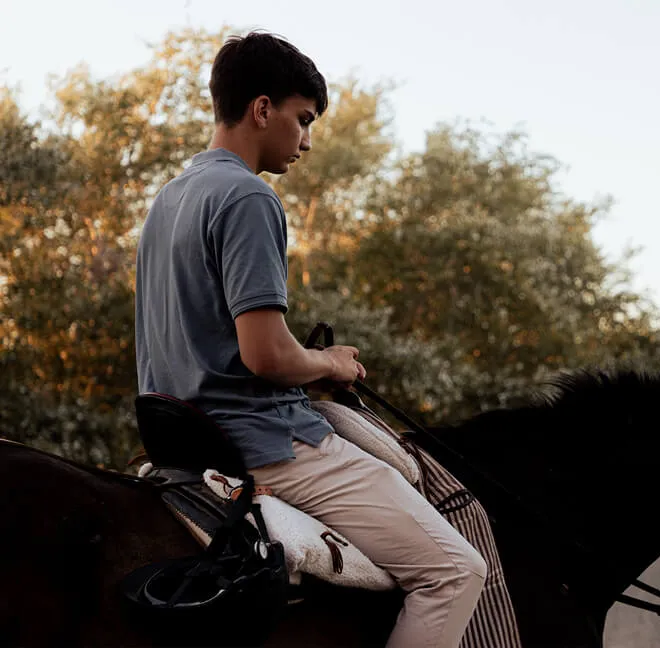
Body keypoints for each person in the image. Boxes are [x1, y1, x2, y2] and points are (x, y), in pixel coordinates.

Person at [134, 30, 487, 647]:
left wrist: (311, 366)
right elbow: (265, 354)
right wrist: (331, 362)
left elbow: (212, 341)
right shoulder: (248, 196)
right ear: (262, 108)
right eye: (302, 119)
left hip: (184, 437)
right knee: (456, 570)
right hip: (265, 442)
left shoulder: (169, 200)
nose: (307, 140)